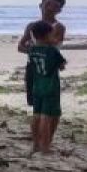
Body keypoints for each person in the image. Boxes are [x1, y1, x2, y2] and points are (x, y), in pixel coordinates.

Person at [18, 0, 67, 145]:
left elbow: (54, 42)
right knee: (38, 108)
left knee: (51, 110)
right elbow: (20, 46)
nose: (50, 8)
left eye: (55, 6)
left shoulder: (58, 27)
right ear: (41, 5)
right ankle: (38, 143)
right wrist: (35, 52)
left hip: (49, 68)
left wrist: (36, 49)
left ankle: (46, 141)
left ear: (59, 10)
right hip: (34, 68)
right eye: (47, 4)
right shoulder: (32, 26)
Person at [26, 21, 67, 154]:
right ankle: (45, 146)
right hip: (50, 86)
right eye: (52, 34)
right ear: (46, 35)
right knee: (46, 117)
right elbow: (62, 65)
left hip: (37, 86)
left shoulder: (32, 50)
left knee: (36, 115)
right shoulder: (52, 50)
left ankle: (36, 144)